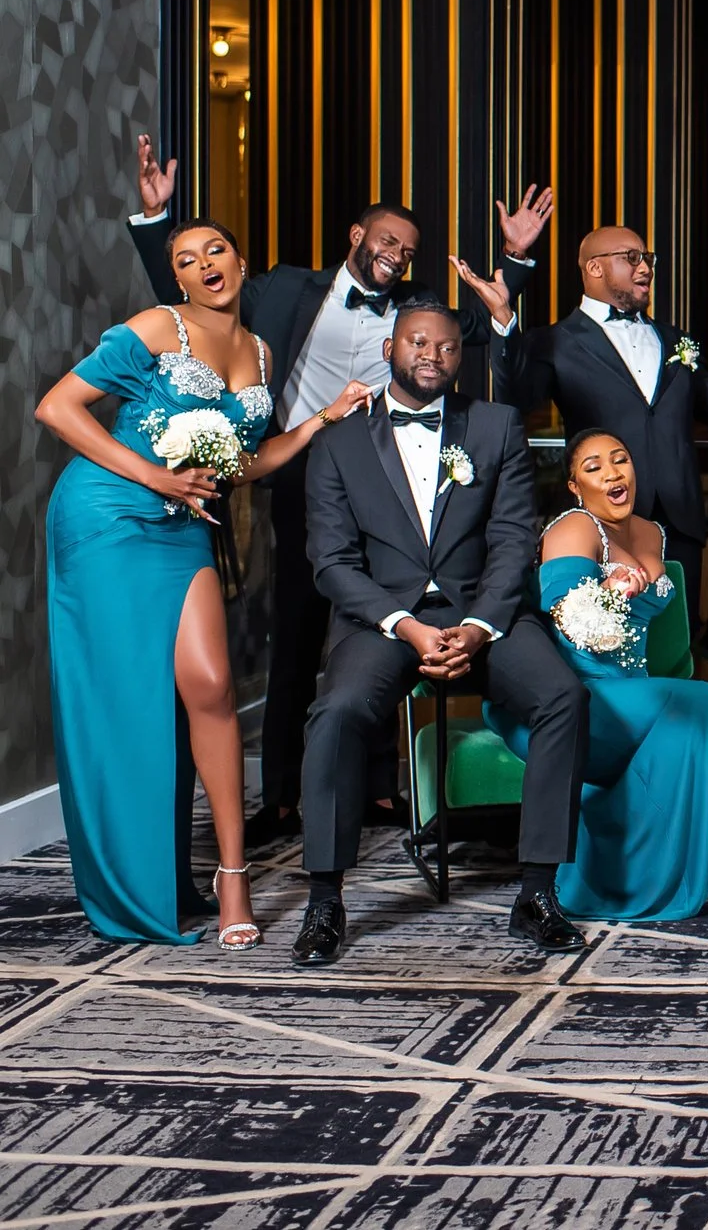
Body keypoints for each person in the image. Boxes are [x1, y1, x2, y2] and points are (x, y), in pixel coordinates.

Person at [127, 139, 550, 844]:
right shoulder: (289, 287)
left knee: (383, 622)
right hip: (295, 476)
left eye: (408, 249)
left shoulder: (418, 314)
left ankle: (380, 789)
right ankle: (285, 797)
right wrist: (155, 221)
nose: (396, 254)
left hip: (387, 487)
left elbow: (486, 322)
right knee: (297, 634)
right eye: (387, 239)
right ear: (358, 236)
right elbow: (189, 300)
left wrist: (514, 262)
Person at [36, 220, 376, 945]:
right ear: (179, 281)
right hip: (105, 517)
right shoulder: (158, 325)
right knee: (128, 699)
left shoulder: (260, 348)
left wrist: (320, 419)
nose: (202, 263)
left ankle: (232, 877)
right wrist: (158, 474)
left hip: (184, 523)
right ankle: (133, 875)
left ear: (239, 262)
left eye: (213, 250)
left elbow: (242, 463)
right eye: (185, 259)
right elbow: (57, 407)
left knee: (213, 685)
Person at [290, 302, 592, 968]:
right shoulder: (338, 441)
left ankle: (538, 892)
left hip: (482, 614)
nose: (432, 354)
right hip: (385, 621)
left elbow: (514, 538)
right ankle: (324, 899)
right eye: (418, 341)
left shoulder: (495, 425)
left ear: (462, 356)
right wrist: (407, 627)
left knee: (562, 695)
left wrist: (480, 626)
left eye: (447, 346)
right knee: (336, 712)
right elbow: (332, 563)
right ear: (391, 346)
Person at [484, 431, 708, 922]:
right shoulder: (574, 528)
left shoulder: (652, 533)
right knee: (700, 702)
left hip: (639, 697)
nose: (612, 473)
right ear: (574, 485)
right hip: (579, 702)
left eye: (620, 460)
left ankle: (641, 874)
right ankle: (618, 882)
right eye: (593, 466)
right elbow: (573, 621)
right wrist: (610, 594)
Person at [484, 225, 708, 622]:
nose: (645, 267)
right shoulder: (554, 341)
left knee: (680, 641)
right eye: (632, 257)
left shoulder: (675, 339)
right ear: (595, 268)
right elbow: (516, 399)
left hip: (678, 520)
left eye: (647, 258)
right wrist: (504, 323)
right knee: (605, 637)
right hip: (602, 524)